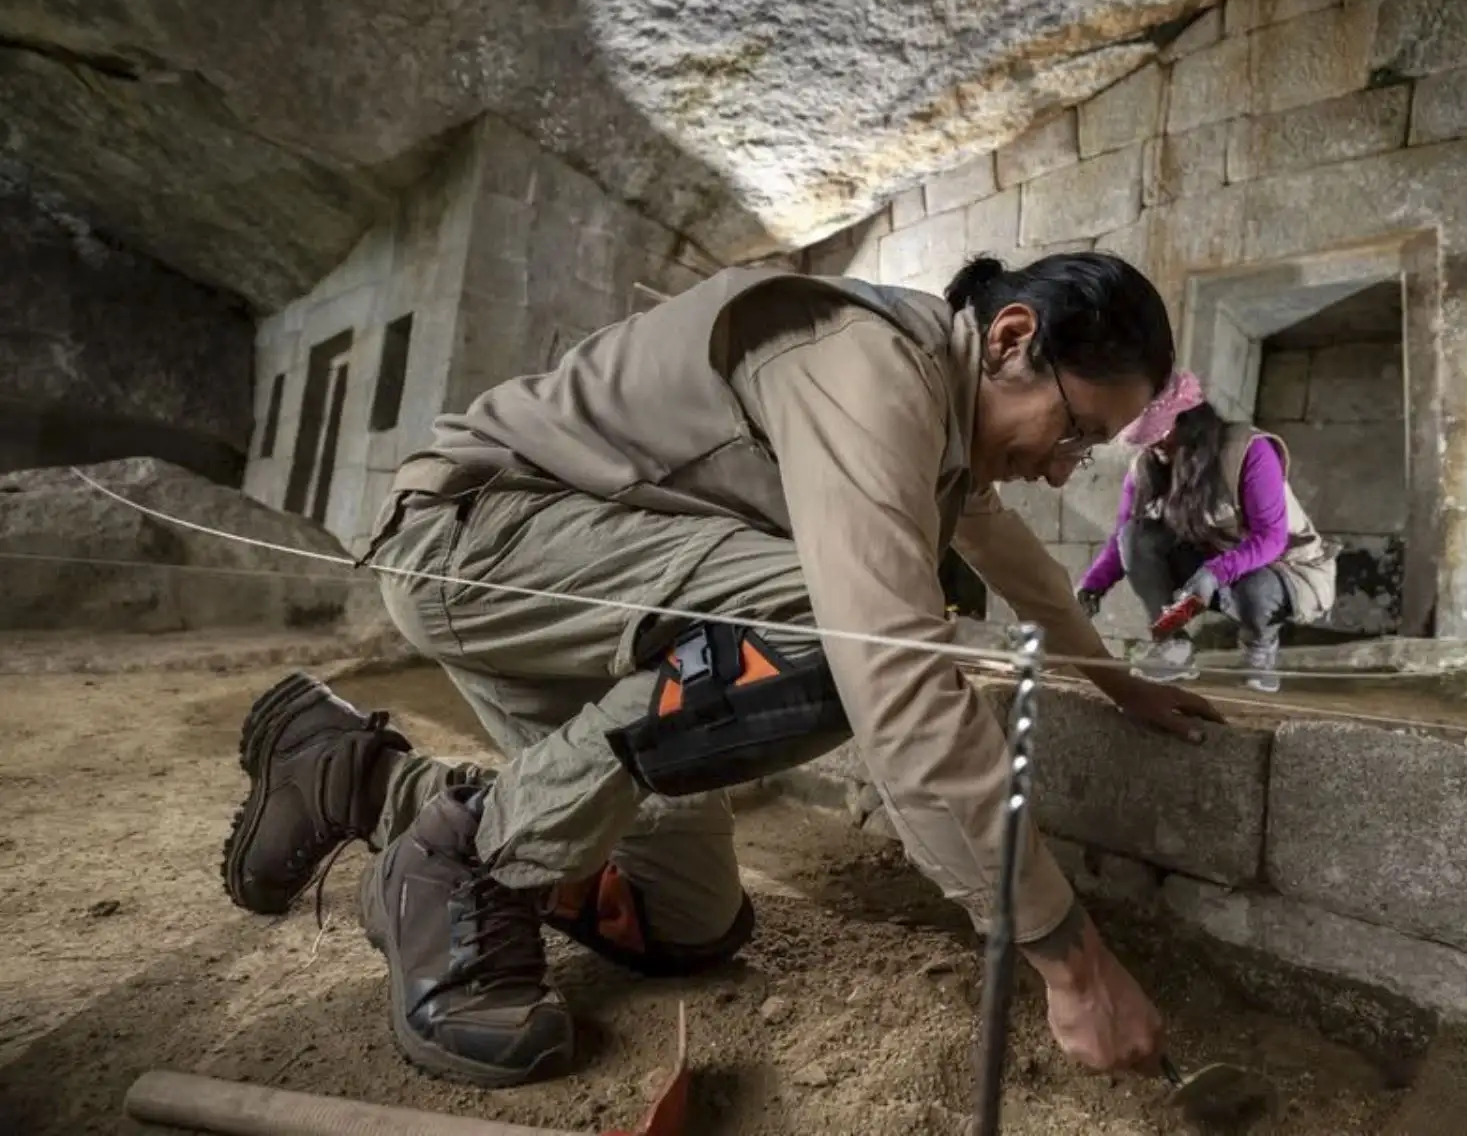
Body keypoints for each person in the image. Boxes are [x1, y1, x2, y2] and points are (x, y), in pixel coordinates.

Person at [219, 253, 1226, 1089]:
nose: (1063, 467)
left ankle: (353, 777)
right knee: (848, 630)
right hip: (478, 546)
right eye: (1077, 433)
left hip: (596, 607)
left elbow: (1009, 553)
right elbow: (896, 679)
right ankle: (459, 865)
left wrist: (1115, 676)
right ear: (1011, 341)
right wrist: (1070, 961)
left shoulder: (943, 418)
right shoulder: (870, 365)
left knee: (685, 923)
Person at [1075, 373, 1337, 692]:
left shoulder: (1249, 450)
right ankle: (1174, 646)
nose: (1153, 443)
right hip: (1212, 567)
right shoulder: (1147, 466)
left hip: (1284, 569)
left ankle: (1260, 647)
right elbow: (1121, 540)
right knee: (1136, 535)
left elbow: (1271, 538)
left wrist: (1215, 573)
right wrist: (1090, 589)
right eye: (1145, 436)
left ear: (1190, 421)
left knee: (1254, 589)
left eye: (1161, 431)